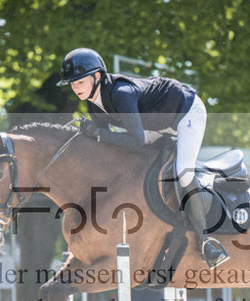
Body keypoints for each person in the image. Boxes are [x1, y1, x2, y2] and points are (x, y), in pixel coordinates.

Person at [58, 47, 228, 269]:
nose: (75, 88)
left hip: (186, 112)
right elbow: (108, 148)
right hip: (157, 123)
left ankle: (207, 242)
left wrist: (98, 134)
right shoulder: (93, 103)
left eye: (80, 82)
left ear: (97, 77)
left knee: (183, 172)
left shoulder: (121, 93)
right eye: (72, 84)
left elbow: (135, 139)